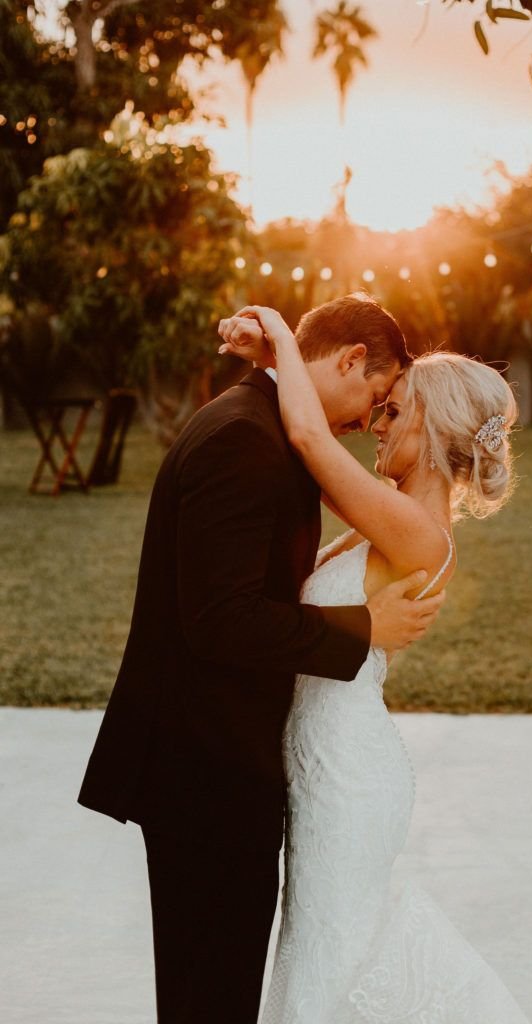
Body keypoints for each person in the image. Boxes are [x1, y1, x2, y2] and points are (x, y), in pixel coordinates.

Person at [77, 294, 446, 1024]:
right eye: (373, 398)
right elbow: (218, 620)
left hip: (227, 762)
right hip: (205, 766)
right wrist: (360, 629)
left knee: (213, 987)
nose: (365, 422)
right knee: (210, 994)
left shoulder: (260, 424)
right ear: (347, 361)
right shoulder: (242, 438)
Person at [218, 304, 530, 1024]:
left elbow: (304, 435)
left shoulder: (420, 533)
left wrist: (277, 339)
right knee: (325, 945)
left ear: (429, 428)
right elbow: (310, 451)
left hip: (348, 779)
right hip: (327, 766)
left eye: (392, 413)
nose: (375, 427)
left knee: (333, 951)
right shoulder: (391, 510)